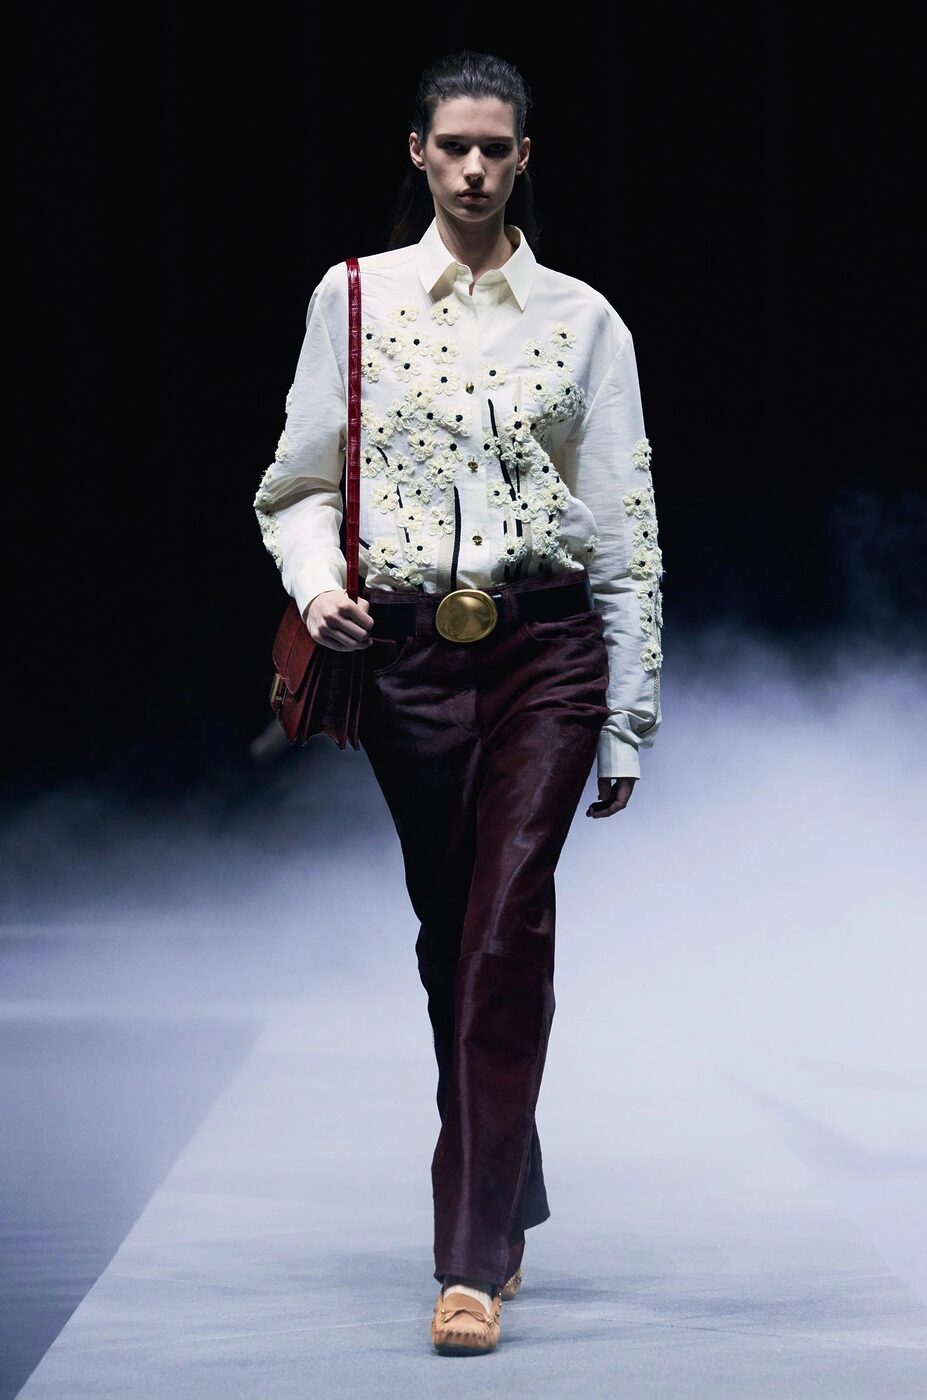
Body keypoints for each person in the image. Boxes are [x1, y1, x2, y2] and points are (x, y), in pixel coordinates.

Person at [254, 49, 663, 1356]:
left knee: (503, 933)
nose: (476, 168)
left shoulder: (585, 321)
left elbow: (623, 524)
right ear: (420, 155)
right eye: (455, 147)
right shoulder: (354, 298)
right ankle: (510, 1175)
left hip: (548, 649)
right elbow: (296, 486)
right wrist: (320, 587)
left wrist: (628, 712)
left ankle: (471, 1260)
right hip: (410, 659)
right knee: (452, 939)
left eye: (497, 148)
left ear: (524, 158)